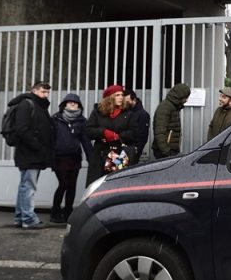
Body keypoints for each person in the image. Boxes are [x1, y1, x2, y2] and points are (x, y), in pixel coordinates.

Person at [8, 80, 53, 229]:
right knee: (29, 186)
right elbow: (22, 129)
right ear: (34, 91)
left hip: (32, 153)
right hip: (29, 153)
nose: (45, 94)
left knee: (25, 185)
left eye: (47, 92)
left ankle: (20, 217)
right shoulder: (27, 104)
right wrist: (38, 146)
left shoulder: (39, 106)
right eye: (42, 91)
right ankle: (28, 218)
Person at [50, 93, 93, 224]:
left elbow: (85, 141)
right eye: (70, 102)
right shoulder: (55, 119)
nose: (73, 104)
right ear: (64, 105)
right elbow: (50, 139)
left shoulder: (82, 121)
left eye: (76, 103)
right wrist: (50, 158)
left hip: (74, 158)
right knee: (63, 184)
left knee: (72, 186)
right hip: (59, 158)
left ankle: (68, 212)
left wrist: (92, 159)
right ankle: (55, 212)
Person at [87, 84, 137, 181]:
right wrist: (103, 132)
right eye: (117, 95)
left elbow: (133, 133)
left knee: (116, 183)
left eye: (122, 95)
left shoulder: (128, 113)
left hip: (119, 153)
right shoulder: (98, 112)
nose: (121, 98)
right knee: (98, 184)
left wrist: (117, 136)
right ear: (110, 97)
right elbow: (88, 130)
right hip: (100, 154)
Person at [152, 82, 191, 158]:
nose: (186, 100)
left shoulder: (173, 107)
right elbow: (160, 132)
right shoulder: (166, 107)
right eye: (186, 97)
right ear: (180, 96)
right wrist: (166, 152)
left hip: (169, 150)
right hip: (165, 152)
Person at [123, 89, 151, 165]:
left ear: (134, 100)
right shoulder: (125, 112)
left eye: (128, 102)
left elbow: (142, 136)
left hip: (131, 150)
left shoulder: (142, 115)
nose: (126, 104)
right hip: (122, 149)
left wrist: (136, 150)